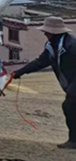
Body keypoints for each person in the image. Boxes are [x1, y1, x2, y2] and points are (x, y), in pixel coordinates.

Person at [13, 17, 76, 149]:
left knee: (69, 106)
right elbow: (40, 62)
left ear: (54, 33)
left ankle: (73, 140)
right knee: (70, 107)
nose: (45, 34)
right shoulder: (51, 46)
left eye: (47, 32)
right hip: (70, 82)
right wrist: (19, 72)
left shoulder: (72, 45)